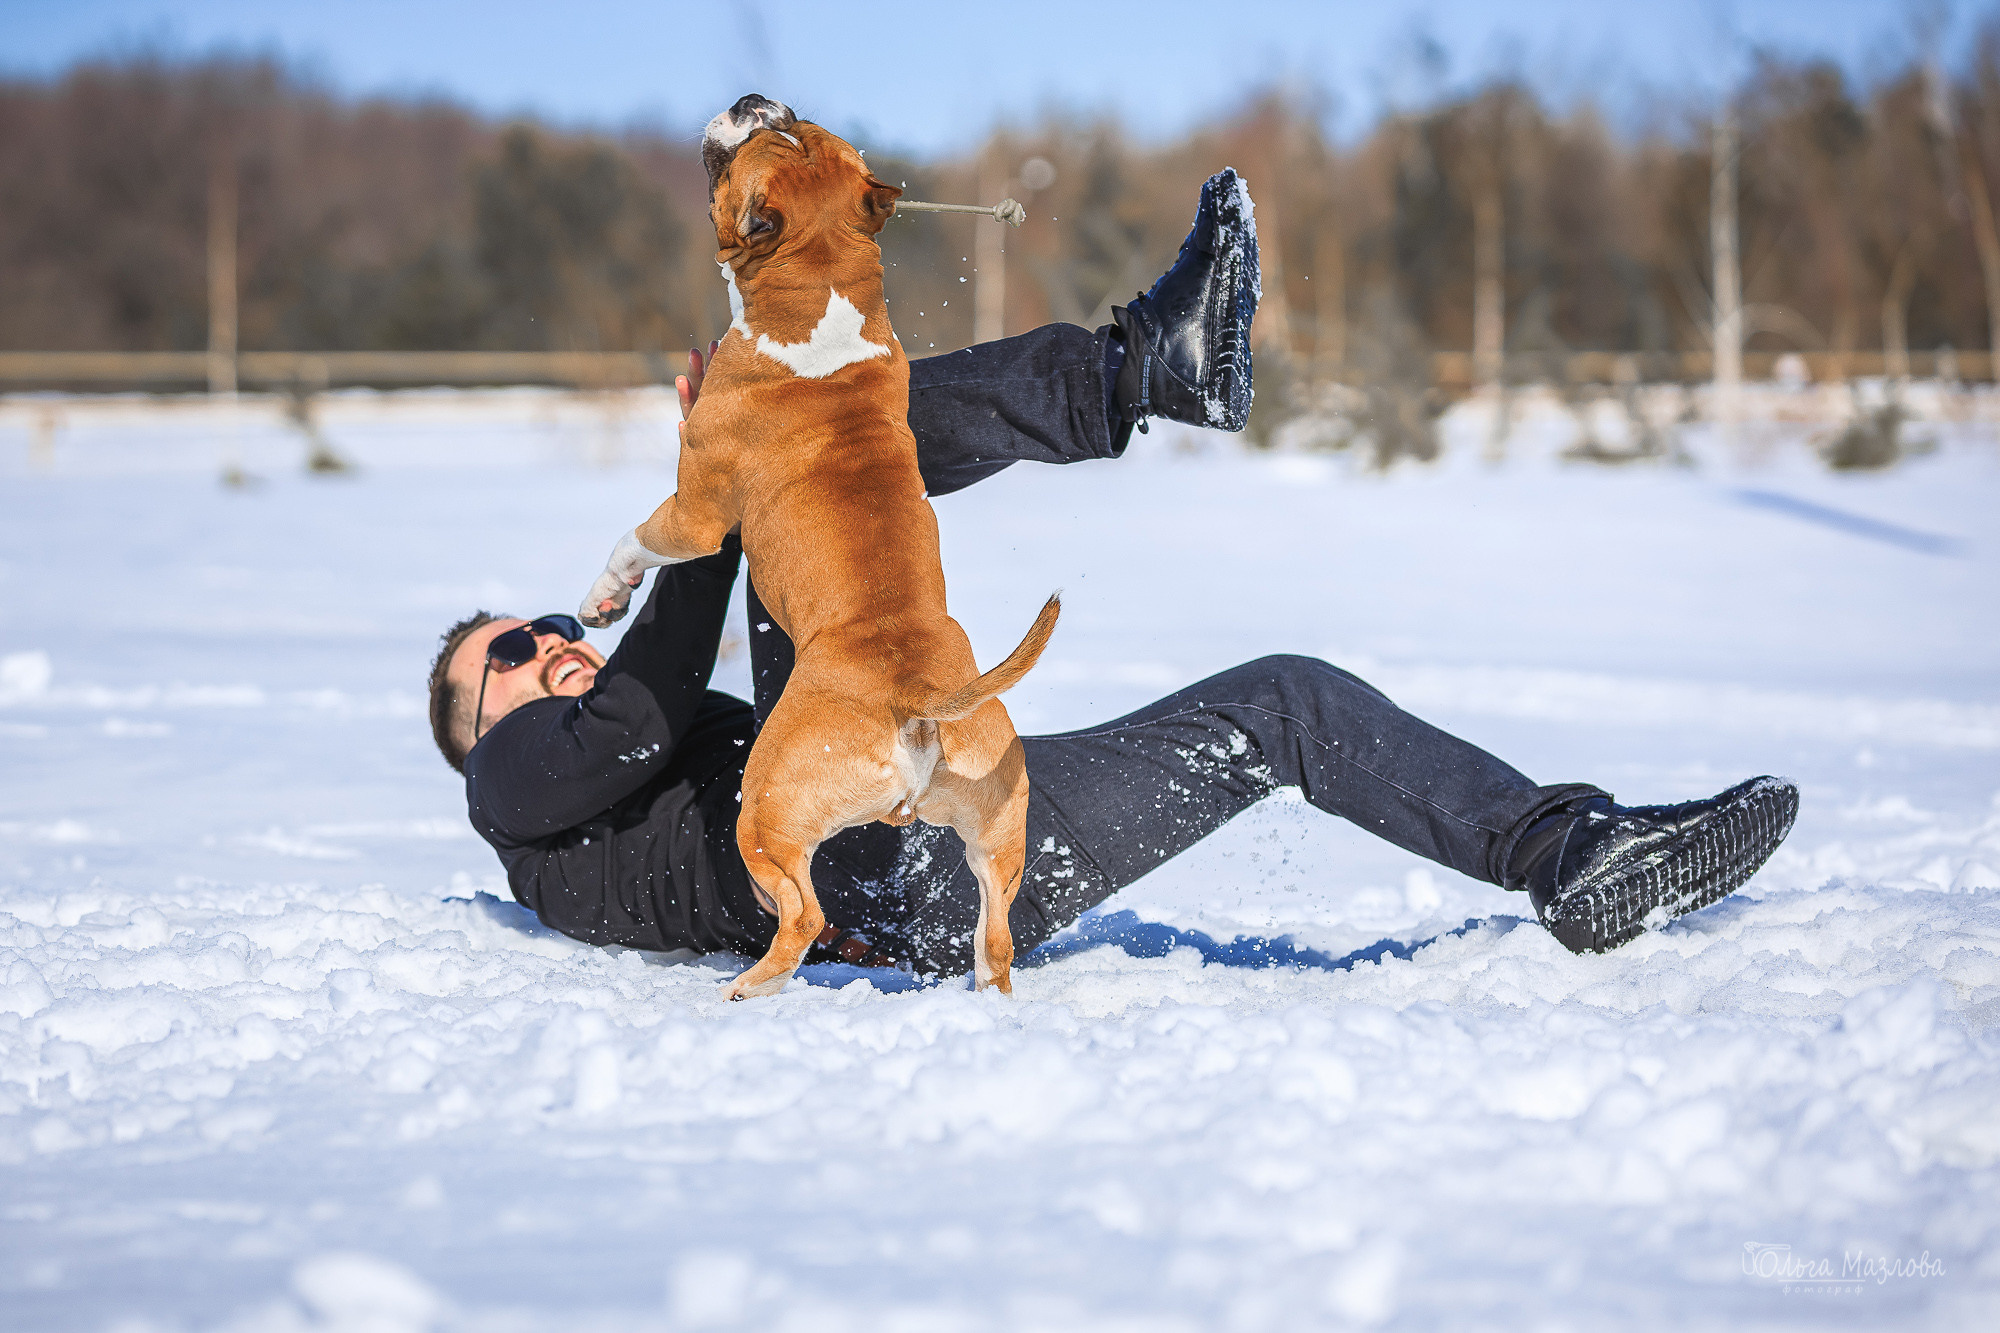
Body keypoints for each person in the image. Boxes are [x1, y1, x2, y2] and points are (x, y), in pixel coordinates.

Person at [426, 175, 1797, 979]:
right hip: (877, 881)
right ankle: (1136, 366)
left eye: (546, 622)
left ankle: (1573, 854)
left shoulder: (591, 753)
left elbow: (672, 682)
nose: (549, 640)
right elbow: (651, 708)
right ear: (472, 732)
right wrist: (721, 466)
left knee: (1287, 704)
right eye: (507, 652)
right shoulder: (520, 795)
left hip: (948, 849)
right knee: (835, 442)